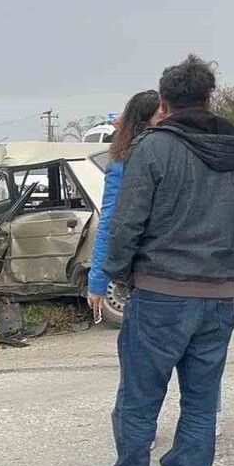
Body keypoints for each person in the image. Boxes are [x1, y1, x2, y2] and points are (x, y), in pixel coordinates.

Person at [97, 55, 234, 466]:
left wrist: (120, 275)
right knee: (201, 397)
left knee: (139, 396)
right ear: (210, 97)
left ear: (165, 102)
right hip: (217, 296)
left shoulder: (152, 149)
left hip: (159, 291)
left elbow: (127, 223)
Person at [86, 90, 160, 322]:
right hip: (148, 270)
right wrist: (98, 281)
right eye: (161, 116)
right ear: (144, 121)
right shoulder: (124, 162)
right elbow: (110, 221)